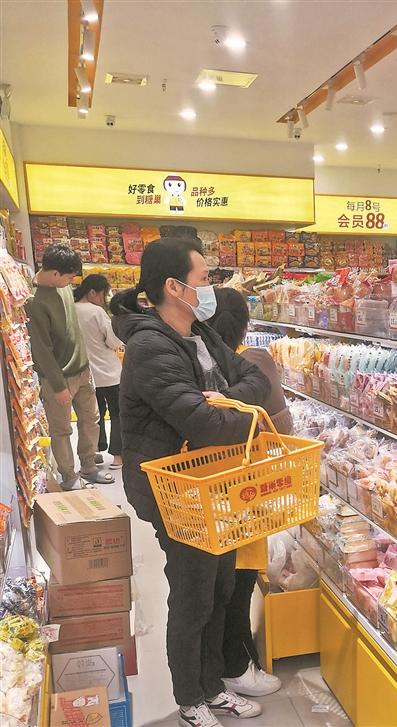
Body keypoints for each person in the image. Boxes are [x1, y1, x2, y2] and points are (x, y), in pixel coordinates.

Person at [110, 237, 271, 727]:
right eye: (203, 279)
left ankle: (213, 685)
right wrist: (239, 411)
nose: (210, 289)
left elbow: (256, 379)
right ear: (174, 287)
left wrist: (228, 401)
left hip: (215, 481)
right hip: (173, 490)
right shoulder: (150, 346)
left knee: (221, 585)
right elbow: (204, 424)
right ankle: (190, 698)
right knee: (193, 592)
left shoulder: (199, 332)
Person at [208, 287, 291, 698]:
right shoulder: (254, 363)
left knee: (218, 585)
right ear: (243, 326)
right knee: (238, 584)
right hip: (246, 490)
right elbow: (281, 425)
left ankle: (223, 663)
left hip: (207, 491)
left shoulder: (198, 363)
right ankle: (236, 667)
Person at [25, 244, 114, 489]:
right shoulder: (34, 301)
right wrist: (57, 385)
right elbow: (41, 349)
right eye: (69, 277)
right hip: (59, 377)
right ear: (55, 273)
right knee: (61, 429)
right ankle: (68, 476)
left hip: (83, 369)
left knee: (91, 419)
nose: (72, 282)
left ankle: (89, 467)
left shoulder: (62, 286)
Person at [73, 274, 123, 469]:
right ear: (93, 292)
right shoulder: (97, 312)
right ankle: (118, 456)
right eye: (104, 294)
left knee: (93, 414)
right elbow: (114, 341)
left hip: (85, 373)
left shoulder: (71, 309)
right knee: (117, 413)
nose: (104, 298)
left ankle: (94, 451)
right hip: (108, 372)